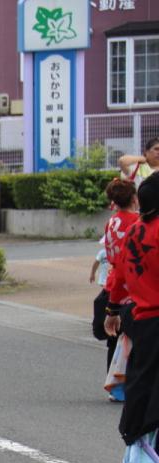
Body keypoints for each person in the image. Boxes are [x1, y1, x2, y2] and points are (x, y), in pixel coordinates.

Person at [107, 174, 159, 449]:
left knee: (143, 382)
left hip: (142, 318)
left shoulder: (135, 231)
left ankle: (138, 442)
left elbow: (119, 274)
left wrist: (112, 309)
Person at [94, 179, 139, 399]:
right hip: (130, 283)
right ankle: (127, 384)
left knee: (115, 337)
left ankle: (114, 383)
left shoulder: (111, 222)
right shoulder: (137, 222)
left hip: (113, 280)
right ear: (134, 198)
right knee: (131, 336)